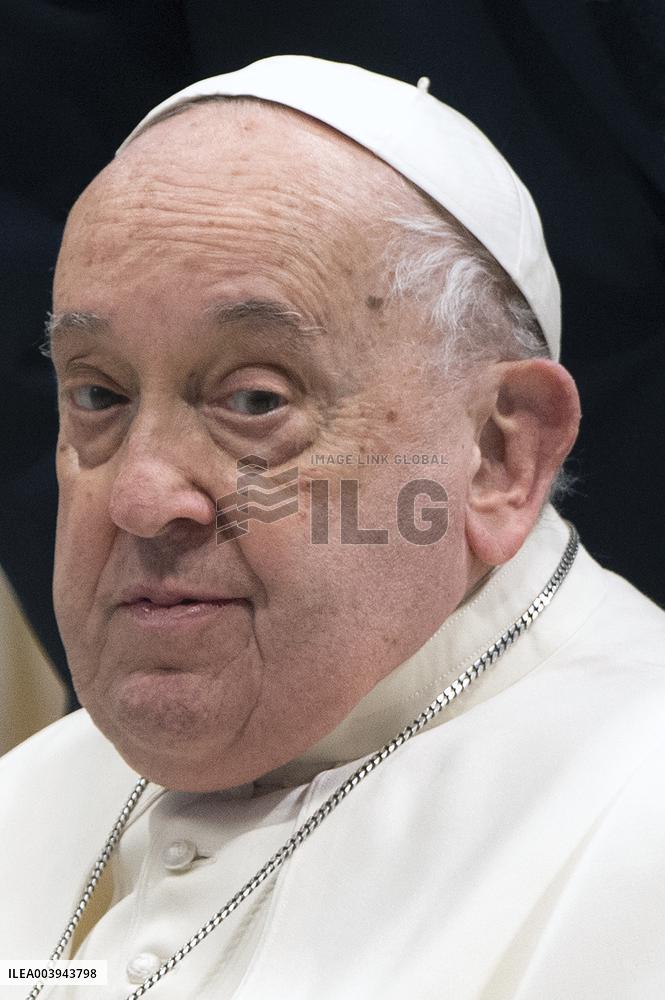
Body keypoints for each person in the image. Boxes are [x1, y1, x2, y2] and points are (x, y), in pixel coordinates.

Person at [0, 56, 663, 999]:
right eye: (97, 394)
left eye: (254, 399)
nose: (140, 498)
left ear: (497, 455)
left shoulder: (641, 821)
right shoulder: (27, 800)